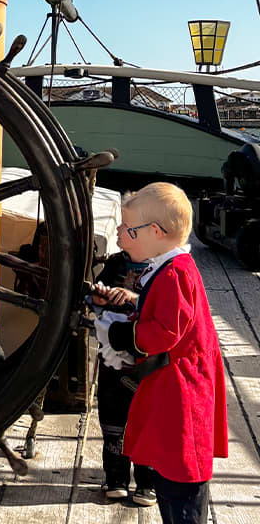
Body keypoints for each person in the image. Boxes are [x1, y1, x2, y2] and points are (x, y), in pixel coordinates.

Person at [94, 183, 228, 524]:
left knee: (180, 483)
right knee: (169, 475)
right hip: (173, 386)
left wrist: (120, 333)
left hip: (182, 393)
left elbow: (165, 332)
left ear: (155, 232)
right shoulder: (170, 268)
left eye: (129, 229)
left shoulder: (175, 274)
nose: (122, 234)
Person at [89, 250, 155, 505]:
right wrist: (98, 299)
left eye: (126, 229)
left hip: (147, 356)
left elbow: (165, 307)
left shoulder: (165, 267)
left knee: (148, 418)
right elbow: (94, 298)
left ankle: (147, 480)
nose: (118, 232)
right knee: (112, 415)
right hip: (113, 350)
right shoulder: (116, 262)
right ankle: (116, 477)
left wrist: (133, 297)